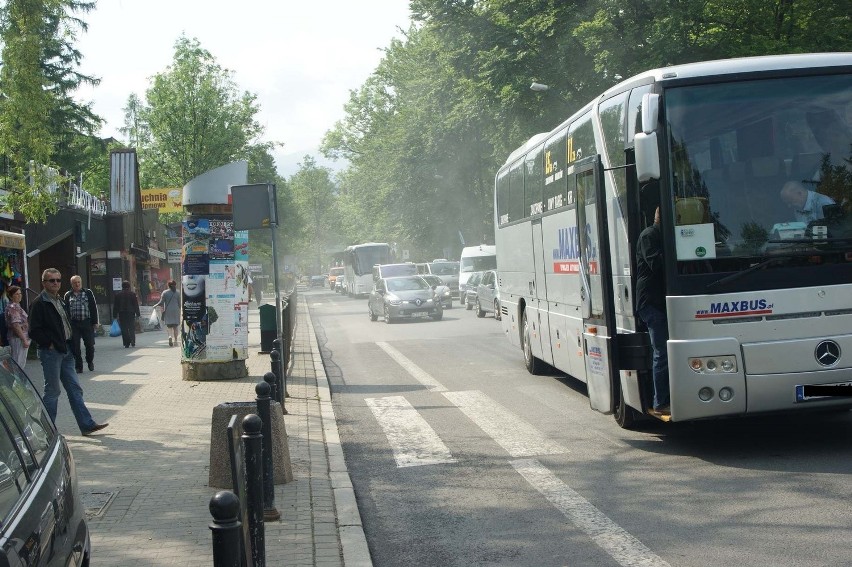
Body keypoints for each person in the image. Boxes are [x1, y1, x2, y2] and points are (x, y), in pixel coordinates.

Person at [28, 268, 108, 435]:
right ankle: (47, 432)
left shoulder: (60, 300)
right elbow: (33, 330)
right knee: (53, 391)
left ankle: (87, 424)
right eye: (52, 280)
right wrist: (48, 343)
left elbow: (66, 323)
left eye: (58, 280)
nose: (56, 283)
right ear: (44, 283)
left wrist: (70, 345)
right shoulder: (39, 303)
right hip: (51, 353)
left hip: (66, 351)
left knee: (74, 389)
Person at [635, 207, 670, 416]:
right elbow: (656, 263)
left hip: (659, 301)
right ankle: (659, 403)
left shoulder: (661, 235)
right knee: (662, 353)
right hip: (650, 302)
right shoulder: (649, 235)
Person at [64, 275, 99, 372]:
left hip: (86, 322)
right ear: (72, 284)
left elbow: (93, 307)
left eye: (79, 282)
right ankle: (79, 366)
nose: (77, 284)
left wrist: (95, 322)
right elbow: (66, 310)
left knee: (90, 345)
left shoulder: (88, 292)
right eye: (75, 283)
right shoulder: (68, 295)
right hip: (74, 324)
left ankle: (90, 361)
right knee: (75, 346)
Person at [4, 286, 30, 368]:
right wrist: (24, 340)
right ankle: (16, 381)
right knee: (18, 364)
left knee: (20, 363)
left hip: (20, 338)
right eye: (16, 294)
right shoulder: (13, 307)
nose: (19, 295)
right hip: (18, 339)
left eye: (20, 293)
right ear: (11, 296)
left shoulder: (17, 306)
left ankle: (17, 380)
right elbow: (16, 325)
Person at [113, 280, 140, 348]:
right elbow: (135, 305)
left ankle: (126, 343)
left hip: (122, 313)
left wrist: (114, 315)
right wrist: (138, 314)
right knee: (131, 327)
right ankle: (133, 341)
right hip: (131, 313)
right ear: (129, 286)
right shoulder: (132, 294)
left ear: (122, 286)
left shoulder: (118, 295)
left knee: (124, 328)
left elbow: (115, 306)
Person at [153, 280, 180, 347]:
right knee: (175, 326)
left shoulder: (165, 292)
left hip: (168, 310)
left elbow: (161, 302)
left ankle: (170, 336)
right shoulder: (178, 292)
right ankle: (176, 340)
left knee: (169, 326)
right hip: (176, 310)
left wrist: (155, 305)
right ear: (175, 285)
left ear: (168, 285)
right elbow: (179, 303)